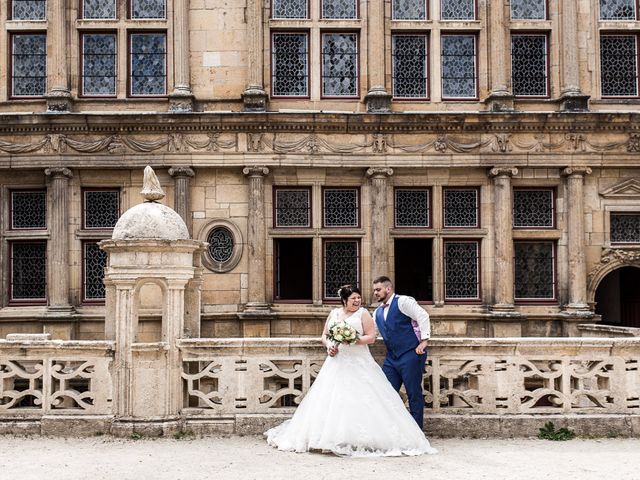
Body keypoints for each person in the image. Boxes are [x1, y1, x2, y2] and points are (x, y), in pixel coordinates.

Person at [265, 284, 436, 457]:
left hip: (360, 361)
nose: (357, 300)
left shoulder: (365, 313)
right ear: (344, 300)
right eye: (353, 298)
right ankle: (332, 436)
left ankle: (385, 435)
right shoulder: (334, 313)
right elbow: (324, 336)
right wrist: (330, 346)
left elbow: (371, 337)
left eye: (358, 297)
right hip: (337, 362)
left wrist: (353, 340)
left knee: (372, 397)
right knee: (333, 399)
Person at [372, 276, 430, 429]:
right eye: (374, 291)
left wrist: (424, 340)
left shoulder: (403, 301)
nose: (375, 293)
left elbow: (422, 316)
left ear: (388, 289)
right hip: (391, 358)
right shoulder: (377, 312)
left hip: (411, 353)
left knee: (413, 394)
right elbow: (373, 334)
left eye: (378, 290)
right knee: (385, 393)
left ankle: (417, 432)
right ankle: (391, 430)